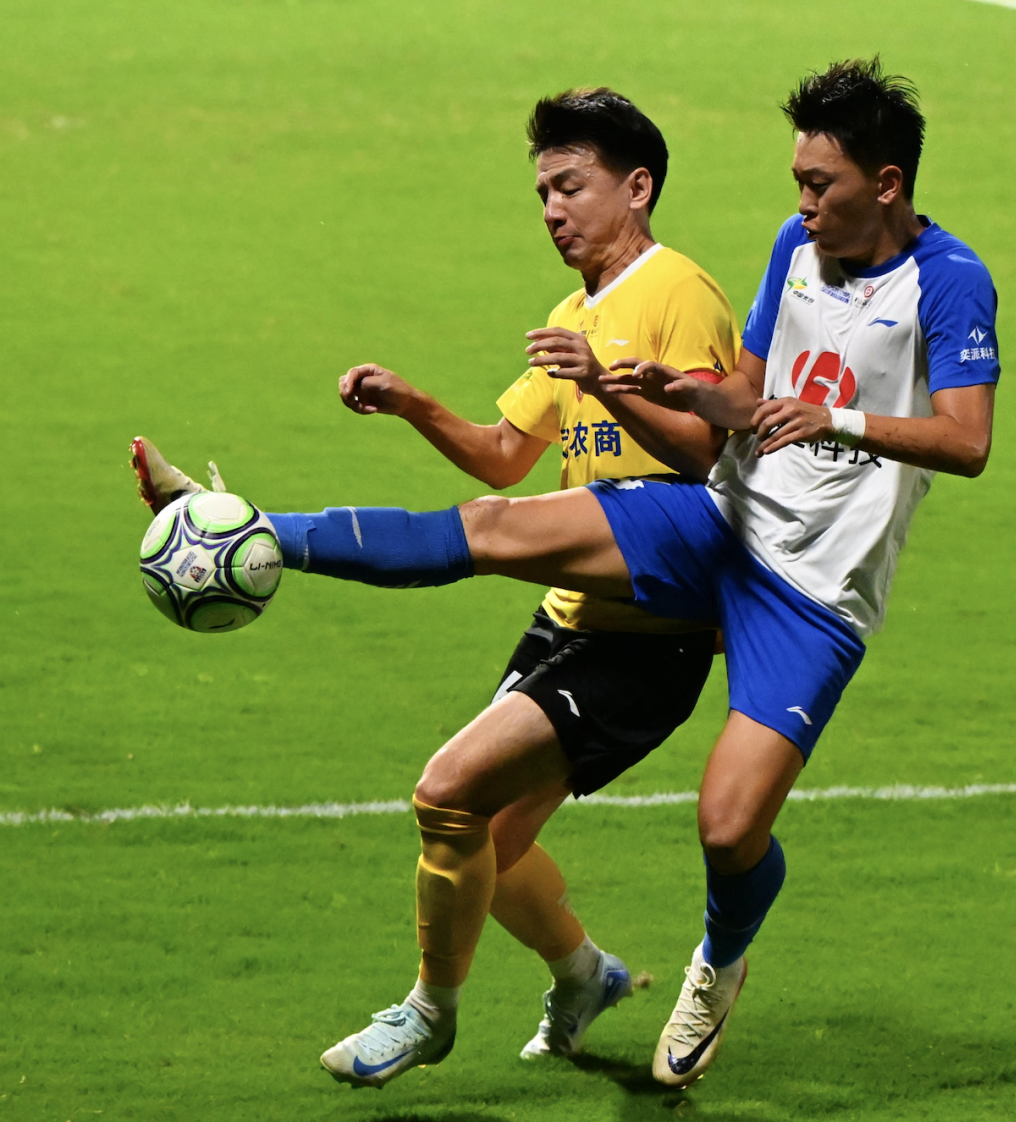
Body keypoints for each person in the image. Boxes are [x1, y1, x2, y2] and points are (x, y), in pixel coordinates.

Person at [135, 58, 1000, 1089]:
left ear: (886, 183)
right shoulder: (792, 247)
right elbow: (738, 404)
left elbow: (968, 441)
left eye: (821, 184)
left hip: (813, 592)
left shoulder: (950, 280)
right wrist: (679, 391)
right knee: (493, 537)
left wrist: (833, 419)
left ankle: (718, 962)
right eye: (799, 182)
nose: (802, 203)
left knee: (729, 828)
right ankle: (246, 528)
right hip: (721, 523)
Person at [131, 88, 741, 1087]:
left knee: (446, 791)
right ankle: (585, 974)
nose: (552, 210)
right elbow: (506, 454)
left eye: (570, 186)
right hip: (568, 621)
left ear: (638, 188)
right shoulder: (573, 314)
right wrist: (413, 403)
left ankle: (429, 1013)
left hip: (646, 637)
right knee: (488, 843)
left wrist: (603, 379)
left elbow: (708, 451)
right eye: (542, 193)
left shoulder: (679, 291)